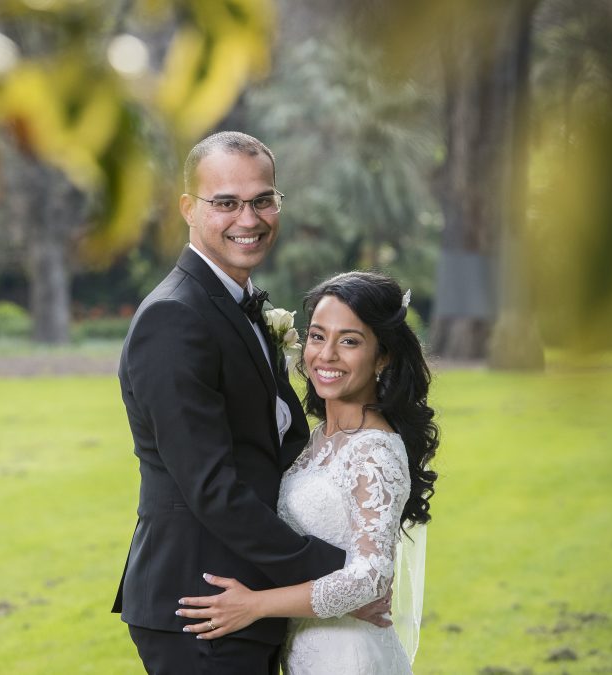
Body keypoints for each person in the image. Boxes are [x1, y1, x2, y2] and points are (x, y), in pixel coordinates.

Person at [112, 132, 390, 674]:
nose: (250, 217)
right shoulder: (175, 317)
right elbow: (211, 487)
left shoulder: (236, 305)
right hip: (203, 604)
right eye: (227, 203)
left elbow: (272, 452)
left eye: (263, 199)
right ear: (189, 208)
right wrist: (337, 574)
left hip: (251, 597)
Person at [174, 271, 440, 673]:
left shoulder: (375, 450)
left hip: (348, 657)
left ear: (382, 356)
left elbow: (371, 578)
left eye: (349, 341)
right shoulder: (314, 439)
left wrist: (254, 605)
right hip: (303, 651)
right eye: (317, 336)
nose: (326, 355)